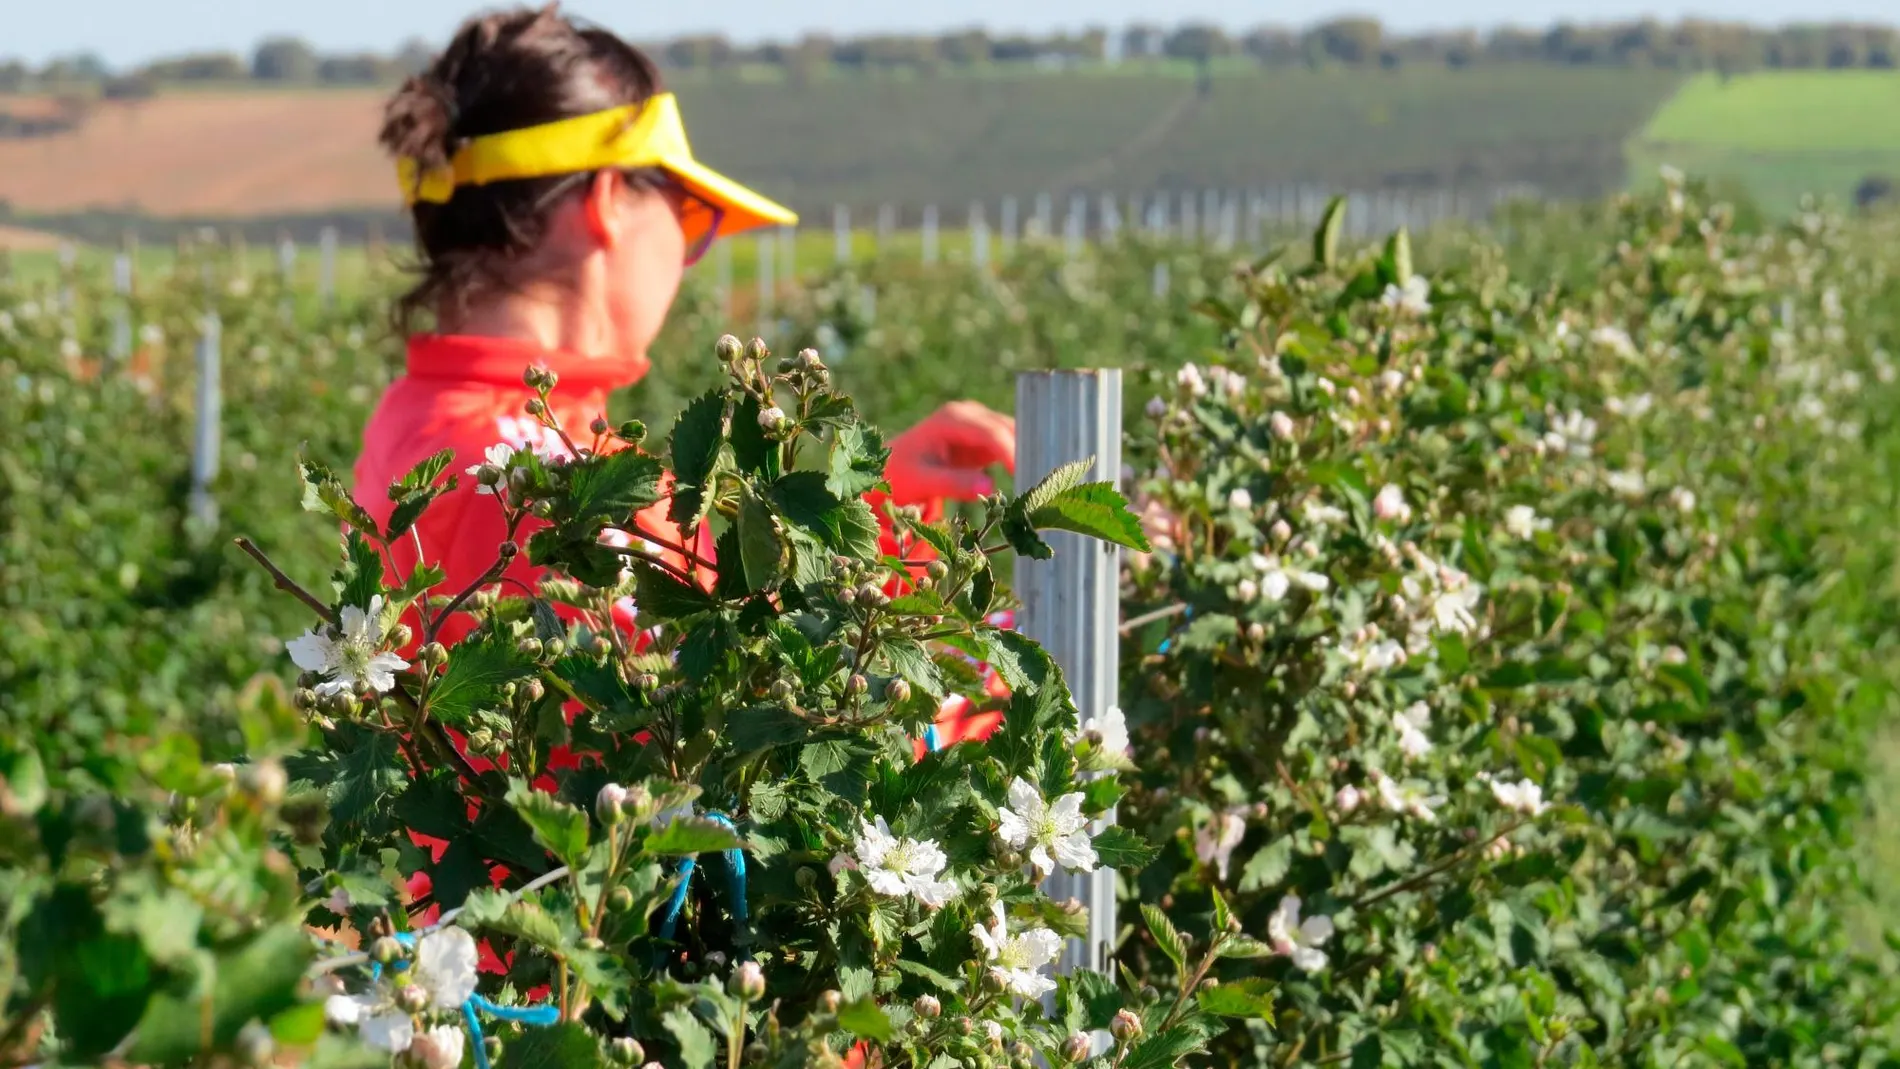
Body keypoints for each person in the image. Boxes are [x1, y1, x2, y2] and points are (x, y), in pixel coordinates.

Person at [350, 5, 1015, 752]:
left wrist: (868, 522)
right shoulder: (555, 489)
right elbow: (752, 752)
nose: (688, 257)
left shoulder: (425, 424)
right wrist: (1018, 676)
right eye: (689, 217)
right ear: (606, 200)